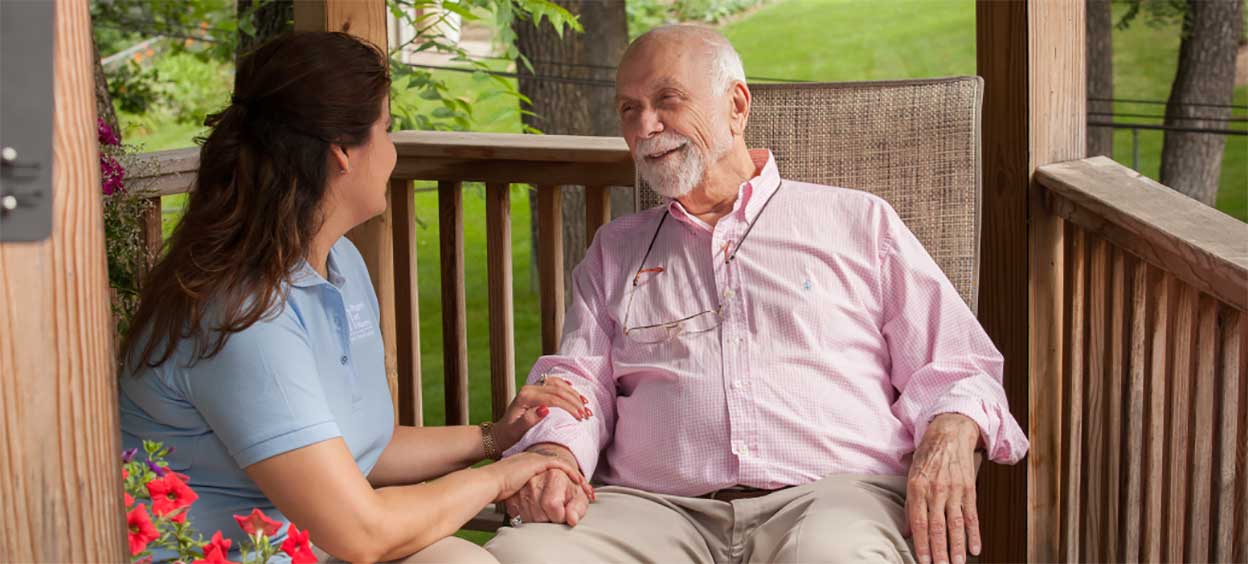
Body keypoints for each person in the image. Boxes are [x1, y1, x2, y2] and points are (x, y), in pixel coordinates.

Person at [486, 25, 1028, 564]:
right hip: (652, 510)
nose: (646, 126)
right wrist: (554, 451)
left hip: (831, 501)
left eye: (667, 100)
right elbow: (575, 386)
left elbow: (958, 364)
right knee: (522, 555)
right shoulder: (616, 250)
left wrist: (954, 429)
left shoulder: (858, 221)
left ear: (737, 107)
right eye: (629, 109)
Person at [118, 32, 593, 564]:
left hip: (308, 540)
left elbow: (367, 447)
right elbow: (362, 535)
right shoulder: (242, 315)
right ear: (342, 152)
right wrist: (504, 475)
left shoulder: (337, 262)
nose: (392, 152)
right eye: (386, 130)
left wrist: (495, 436)